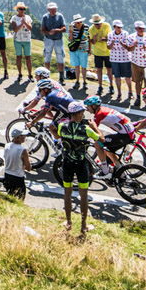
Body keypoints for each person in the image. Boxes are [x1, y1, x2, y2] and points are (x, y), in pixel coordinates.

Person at [60, 101, 99, 238]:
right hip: (81, 164)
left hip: (67, 163)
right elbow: (102, 139)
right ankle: (83, 225)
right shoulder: (86, 129)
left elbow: (56, 133)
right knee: (83, 194)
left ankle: (69, 222)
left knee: (67, 193)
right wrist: (95, 127)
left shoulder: (62, 126)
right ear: (80, 113)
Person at [84, 96, 134, 178]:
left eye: (88, 106)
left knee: (98, 143)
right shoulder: (103, 109)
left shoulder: (99, 114)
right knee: (109, 150)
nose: (87, 108)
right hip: (128, 132)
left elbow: (92, 131)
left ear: (94, 106)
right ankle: (122, 173)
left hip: (125, 135)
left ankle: (105, 171)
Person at [109, 19, 136, 100]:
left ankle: (130, 92)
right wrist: (112, 43)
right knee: (117, 76)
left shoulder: (125, 34)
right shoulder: (110, 34)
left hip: (125, 58)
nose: (119, 29)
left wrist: (122, 44)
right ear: (114, 27)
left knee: (127, 76)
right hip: (114, 58)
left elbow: (128, 47)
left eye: (120, 27)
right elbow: (108, 47)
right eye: (118, 27)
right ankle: (119, 93)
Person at [40, 2, 67, 83]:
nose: (53, 11)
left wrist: (56, 30)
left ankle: (61, 77)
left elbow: (64, 28)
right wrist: (48, 33)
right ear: (48, 9)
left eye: (54, 9)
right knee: (47, 57)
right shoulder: (45, 17)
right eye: (52, 9)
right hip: (48, 40)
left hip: (58, 39)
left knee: (60, 58)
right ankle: (46, 77)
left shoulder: (60, 16)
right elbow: (42, 30)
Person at [3, 127, 32, 199]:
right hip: (17, 178)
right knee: (20, 200)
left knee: (10, 198)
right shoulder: (23, 150)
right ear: (18, 137)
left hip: (7, 175)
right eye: (23, 135)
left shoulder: (7, 145)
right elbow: (28, 168)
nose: (25, 136)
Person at [88, 14, 113, 94]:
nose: (98, 25)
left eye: (99, 23)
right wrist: (94, 40)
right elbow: (92, 42)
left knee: (109, 69)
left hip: (107, 52)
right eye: (96, 24)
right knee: (99, 70)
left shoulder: (107, 26)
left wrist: (105, 39)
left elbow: (112, 37)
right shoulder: (91, 29)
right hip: (97, 52)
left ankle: (111, 86)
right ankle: (100, 86)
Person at [9, 2, 33, 80]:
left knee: (28, 57)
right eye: (21, 9)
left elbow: (30, 28)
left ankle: (30, 75)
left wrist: (24, 22)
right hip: (17, 40)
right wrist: (21, 24)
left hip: (27, 40)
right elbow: (15, 29)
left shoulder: (28, 17)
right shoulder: (14, 18)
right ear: (18, 10)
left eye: (23, 9)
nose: (22, 10)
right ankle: (20, 74)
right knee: (18, 57)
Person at [130, 20, 146, 99]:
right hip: (135, 63)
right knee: (137, 82)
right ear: (136, 28)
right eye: (139, 28)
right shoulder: (131, 37)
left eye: (143, 28)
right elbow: (129, 49)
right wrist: (133, 45)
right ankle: (138, 97)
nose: (141, 30)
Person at [68, 14, 90, 90]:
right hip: (75, 49)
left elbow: (88, 38)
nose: (79, 23)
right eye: (77, 22)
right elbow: (70, 39)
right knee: (76, 66)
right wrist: (70, 33)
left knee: (84, 66)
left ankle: (84, 82)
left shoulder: (86, 27)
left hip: (84, 49)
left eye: (80, 22)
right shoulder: (72, 28)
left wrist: (89, 50)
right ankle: (77, 81)